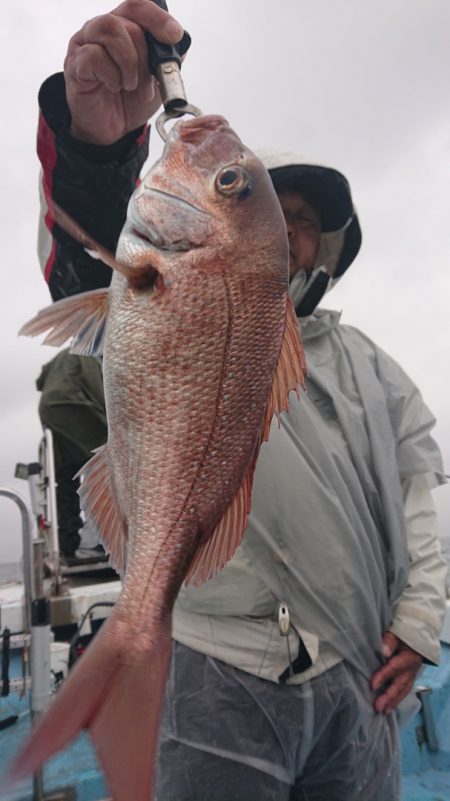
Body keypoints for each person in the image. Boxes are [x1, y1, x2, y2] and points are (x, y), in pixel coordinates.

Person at [35, 3, 447, 799]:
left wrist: (422, 619)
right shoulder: (179, 288)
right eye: (274, 208)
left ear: (321, 249)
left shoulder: (372, 364)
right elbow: (90, 277)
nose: (291, 234)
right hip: (218, 671)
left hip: (362, 674)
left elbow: (418, 493)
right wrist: (100, 151)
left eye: (304, 226)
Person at [36, 348, 108, 562]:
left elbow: (40, 380)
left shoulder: (65, 354)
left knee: (66, 478)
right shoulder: (96, 354)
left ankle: (68, 544)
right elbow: (101, 391)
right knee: (111, 464)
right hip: (75, 405)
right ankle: (97, 542)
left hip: (50, 411)